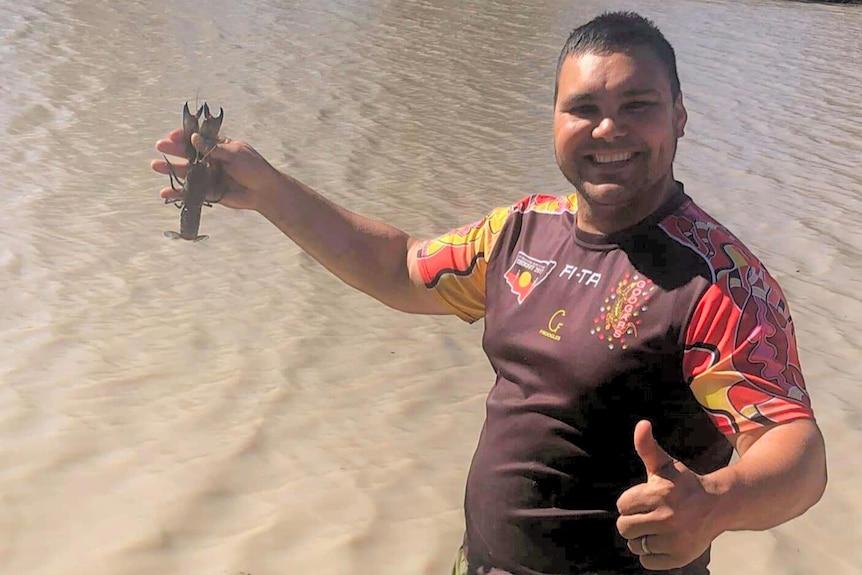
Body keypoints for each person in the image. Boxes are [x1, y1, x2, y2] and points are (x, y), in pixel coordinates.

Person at [151, 11, 827, 575]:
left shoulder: (719, 284)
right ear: (555, 118)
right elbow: (398, 268)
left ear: (679, 117)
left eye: (638, 106)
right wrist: (267, 189)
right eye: (583, 107)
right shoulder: (522, 234)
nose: (607, 128)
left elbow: (796, 453)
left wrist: (716, 498)